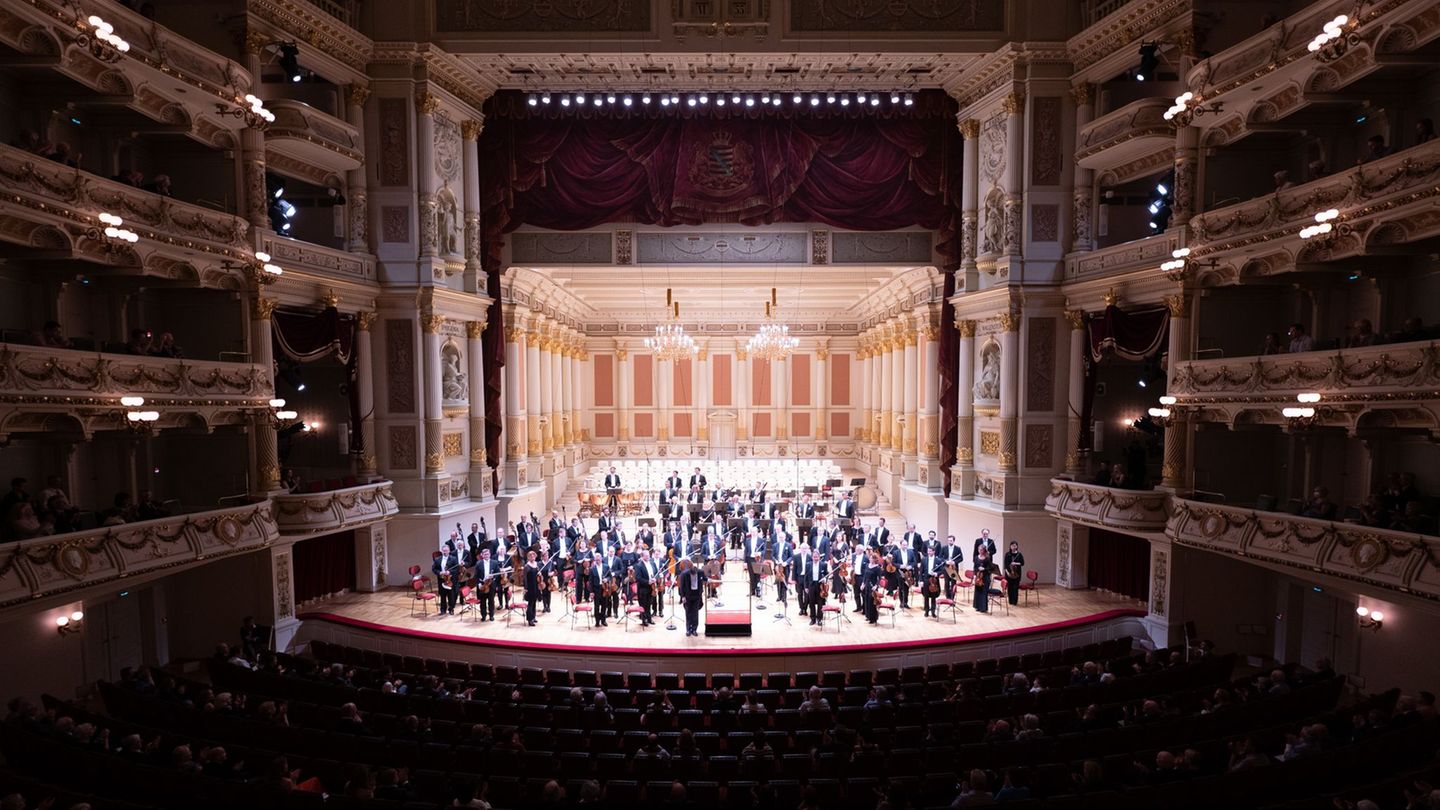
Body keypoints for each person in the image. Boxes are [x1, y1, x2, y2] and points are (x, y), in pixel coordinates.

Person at [678, 559, 704, 636]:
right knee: (688, 613)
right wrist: (682, 597)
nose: (693, 576)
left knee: (695, 613)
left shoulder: (700, 572)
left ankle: (694, 629)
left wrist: (709, 580)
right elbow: (681, 587)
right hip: (688, 596)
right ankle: (688, 629)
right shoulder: (684, 574)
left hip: (696, 596)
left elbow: (705, 579)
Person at [433, 546, 461, 615]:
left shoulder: (453, 559)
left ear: (449, 551)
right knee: (442, 595)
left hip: (450, 580)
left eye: (446, 551)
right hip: (441, 580)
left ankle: (451, 609)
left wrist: (450, 572)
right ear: (442, 551)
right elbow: (434, 569)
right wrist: (440, 572)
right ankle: (443, 609)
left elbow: (457, 569)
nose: (445, 552)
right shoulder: (437, 559)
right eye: (444, 551)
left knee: (451, 595)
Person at [1003, 541, 1025, 606]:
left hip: (1017, 573)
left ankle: (1015, 602)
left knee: (1015, 588)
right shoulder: (1007, 554)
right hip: (1009, 574)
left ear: (1017, 546)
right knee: (1010, 588)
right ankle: (1010, 601)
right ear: (1010, 546)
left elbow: (1022, 563)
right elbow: (1005, 565)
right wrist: (1007, 573)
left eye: (1015, 545)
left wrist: (1016, 563)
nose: (1013, 547)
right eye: (1012, 545)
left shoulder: (1019, 554)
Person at [973, 544, 993, 613]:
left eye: (981, 550)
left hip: (985, 577)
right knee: (978, 591)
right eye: (979, 550)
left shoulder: (987, 558)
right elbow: (975, 567)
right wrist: (975, 575)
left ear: (984, 550)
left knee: (983, 592)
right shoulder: (976, 557)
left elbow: (990, 568)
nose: (980, 551)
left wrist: (984, 569)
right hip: (978, 577)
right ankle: (978, 606)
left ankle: (983, 608)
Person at [523, 550, 540, 626]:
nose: (533, 557)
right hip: (530, 586)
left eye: (534, 556)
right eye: (531, 556)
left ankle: (533, 617)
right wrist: (525, 588)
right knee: (530, 603)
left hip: (536, 585)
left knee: (534, 602)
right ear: (528, 557)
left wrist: (539, 573)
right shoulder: (526, 566)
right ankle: (530, 619)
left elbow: (538, 574)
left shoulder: (536, 564)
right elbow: (525, 578)